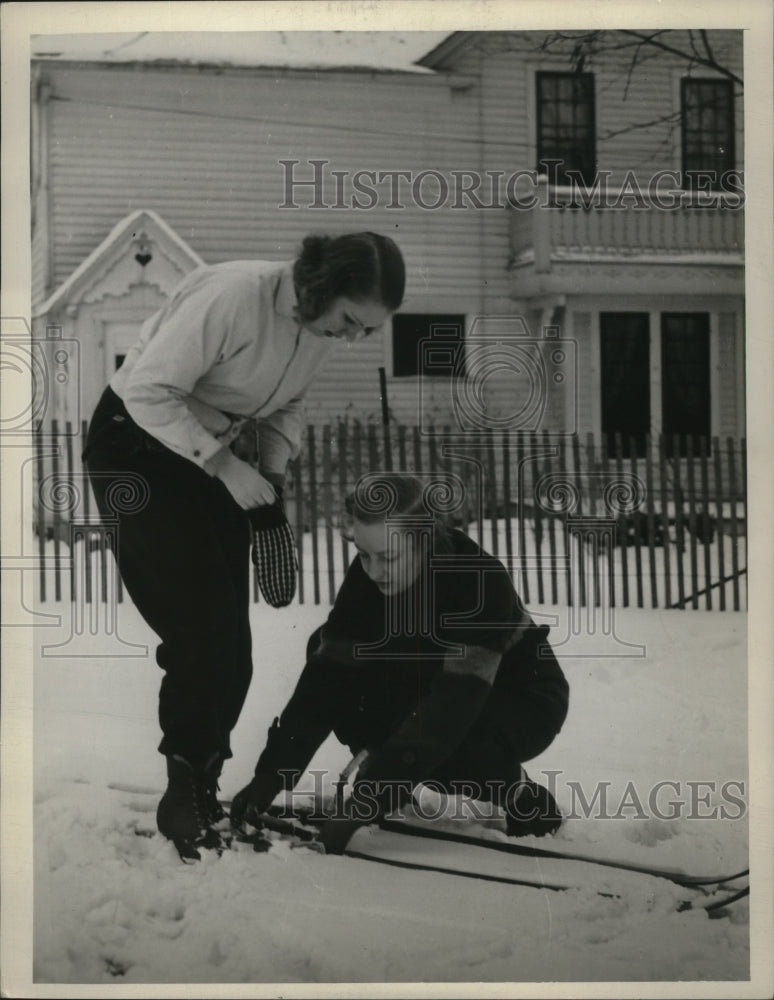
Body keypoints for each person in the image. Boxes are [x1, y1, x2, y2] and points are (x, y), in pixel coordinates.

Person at [83, 232, 406, 856]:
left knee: (233, 637)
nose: (352, 338)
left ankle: (202, 776)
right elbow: (148, 390)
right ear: (321, 286)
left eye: (366, 330)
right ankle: (182, 791)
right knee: (198, 627)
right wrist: (226, 467)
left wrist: (272, 478)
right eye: (350, 321)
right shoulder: (232, 295)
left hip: (214, 454)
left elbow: (287, 405)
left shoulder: (315, 328)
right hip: (137, 450)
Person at [231, 473, 570, 854]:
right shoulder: (367, 578)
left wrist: (365, 803)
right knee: (326, 649)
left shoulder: (477, 581)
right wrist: (272, 775)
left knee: (449, 751)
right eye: (363, 554)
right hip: (431, 682)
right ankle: (390, 770)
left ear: (423, 541)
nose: (373, 571)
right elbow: (325, 680)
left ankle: (520, 795)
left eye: (388, 557)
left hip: (518, 694)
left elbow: (451, 708)